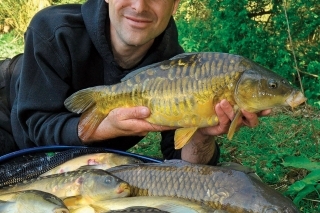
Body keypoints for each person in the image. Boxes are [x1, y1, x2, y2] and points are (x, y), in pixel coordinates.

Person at [0, 0, 270, 164]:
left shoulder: (183, 69)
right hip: (7, 111)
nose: (139, 6)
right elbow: (33, 124)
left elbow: (180, 160)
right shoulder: (51, 30)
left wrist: (200, 132)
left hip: (76, 152)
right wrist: (99, 128)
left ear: (175, 4)